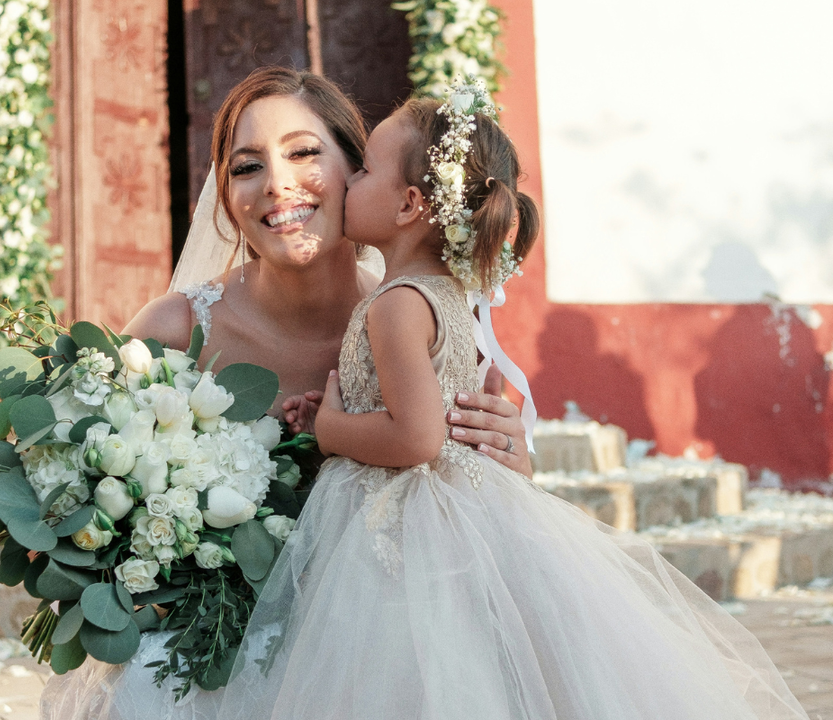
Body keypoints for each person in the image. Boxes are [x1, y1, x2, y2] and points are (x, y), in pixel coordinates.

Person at [212, 86, 810, 719]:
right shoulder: (449, 296)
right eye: (247, 164)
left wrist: (330, 429)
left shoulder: (392, 305)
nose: (341, 183)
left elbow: (416, 437)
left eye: (357, 168)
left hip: (399, 523)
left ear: (412, 203)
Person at [39, 67, 532, 719]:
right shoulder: (174, 329)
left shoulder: (421, 316)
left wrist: (512, 456)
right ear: (225, 196)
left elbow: (479, 496)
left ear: (362, 174)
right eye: (247, 166)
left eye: (304, 153)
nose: (277, 184)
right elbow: (70, 489)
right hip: (223, 654)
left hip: (391, 655)